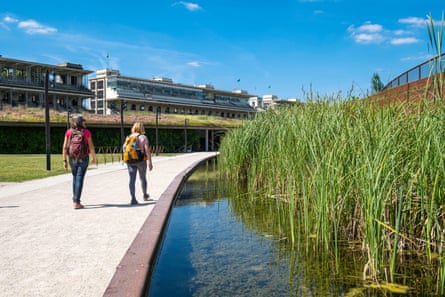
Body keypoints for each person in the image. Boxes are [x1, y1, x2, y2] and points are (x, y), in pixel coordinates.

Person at [62, 115, 96, 209]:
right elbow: (91, 147)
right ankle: (76, 202)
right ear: (80, 122)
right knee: (79, 178)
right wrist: (94, 158)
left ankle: (75, 199)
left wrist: (64, 160)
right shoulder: (86, 132)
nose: (85, 123)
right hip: (83, 157)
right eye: (83, 121)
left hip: (72, 158)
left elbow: (65, 147)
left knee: (75, 177)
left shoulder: (69, 132)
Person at [124, 122, 153, 205]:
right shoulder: (143, 137)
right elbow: (147, 150)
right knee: (143, 178)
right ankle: (145, 195)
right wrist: (150, 162)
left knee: (132, 179)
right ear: (142, 128)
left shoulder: (129, 137)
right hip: (141, 161)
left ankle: (133, 198)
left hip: (129, 160)